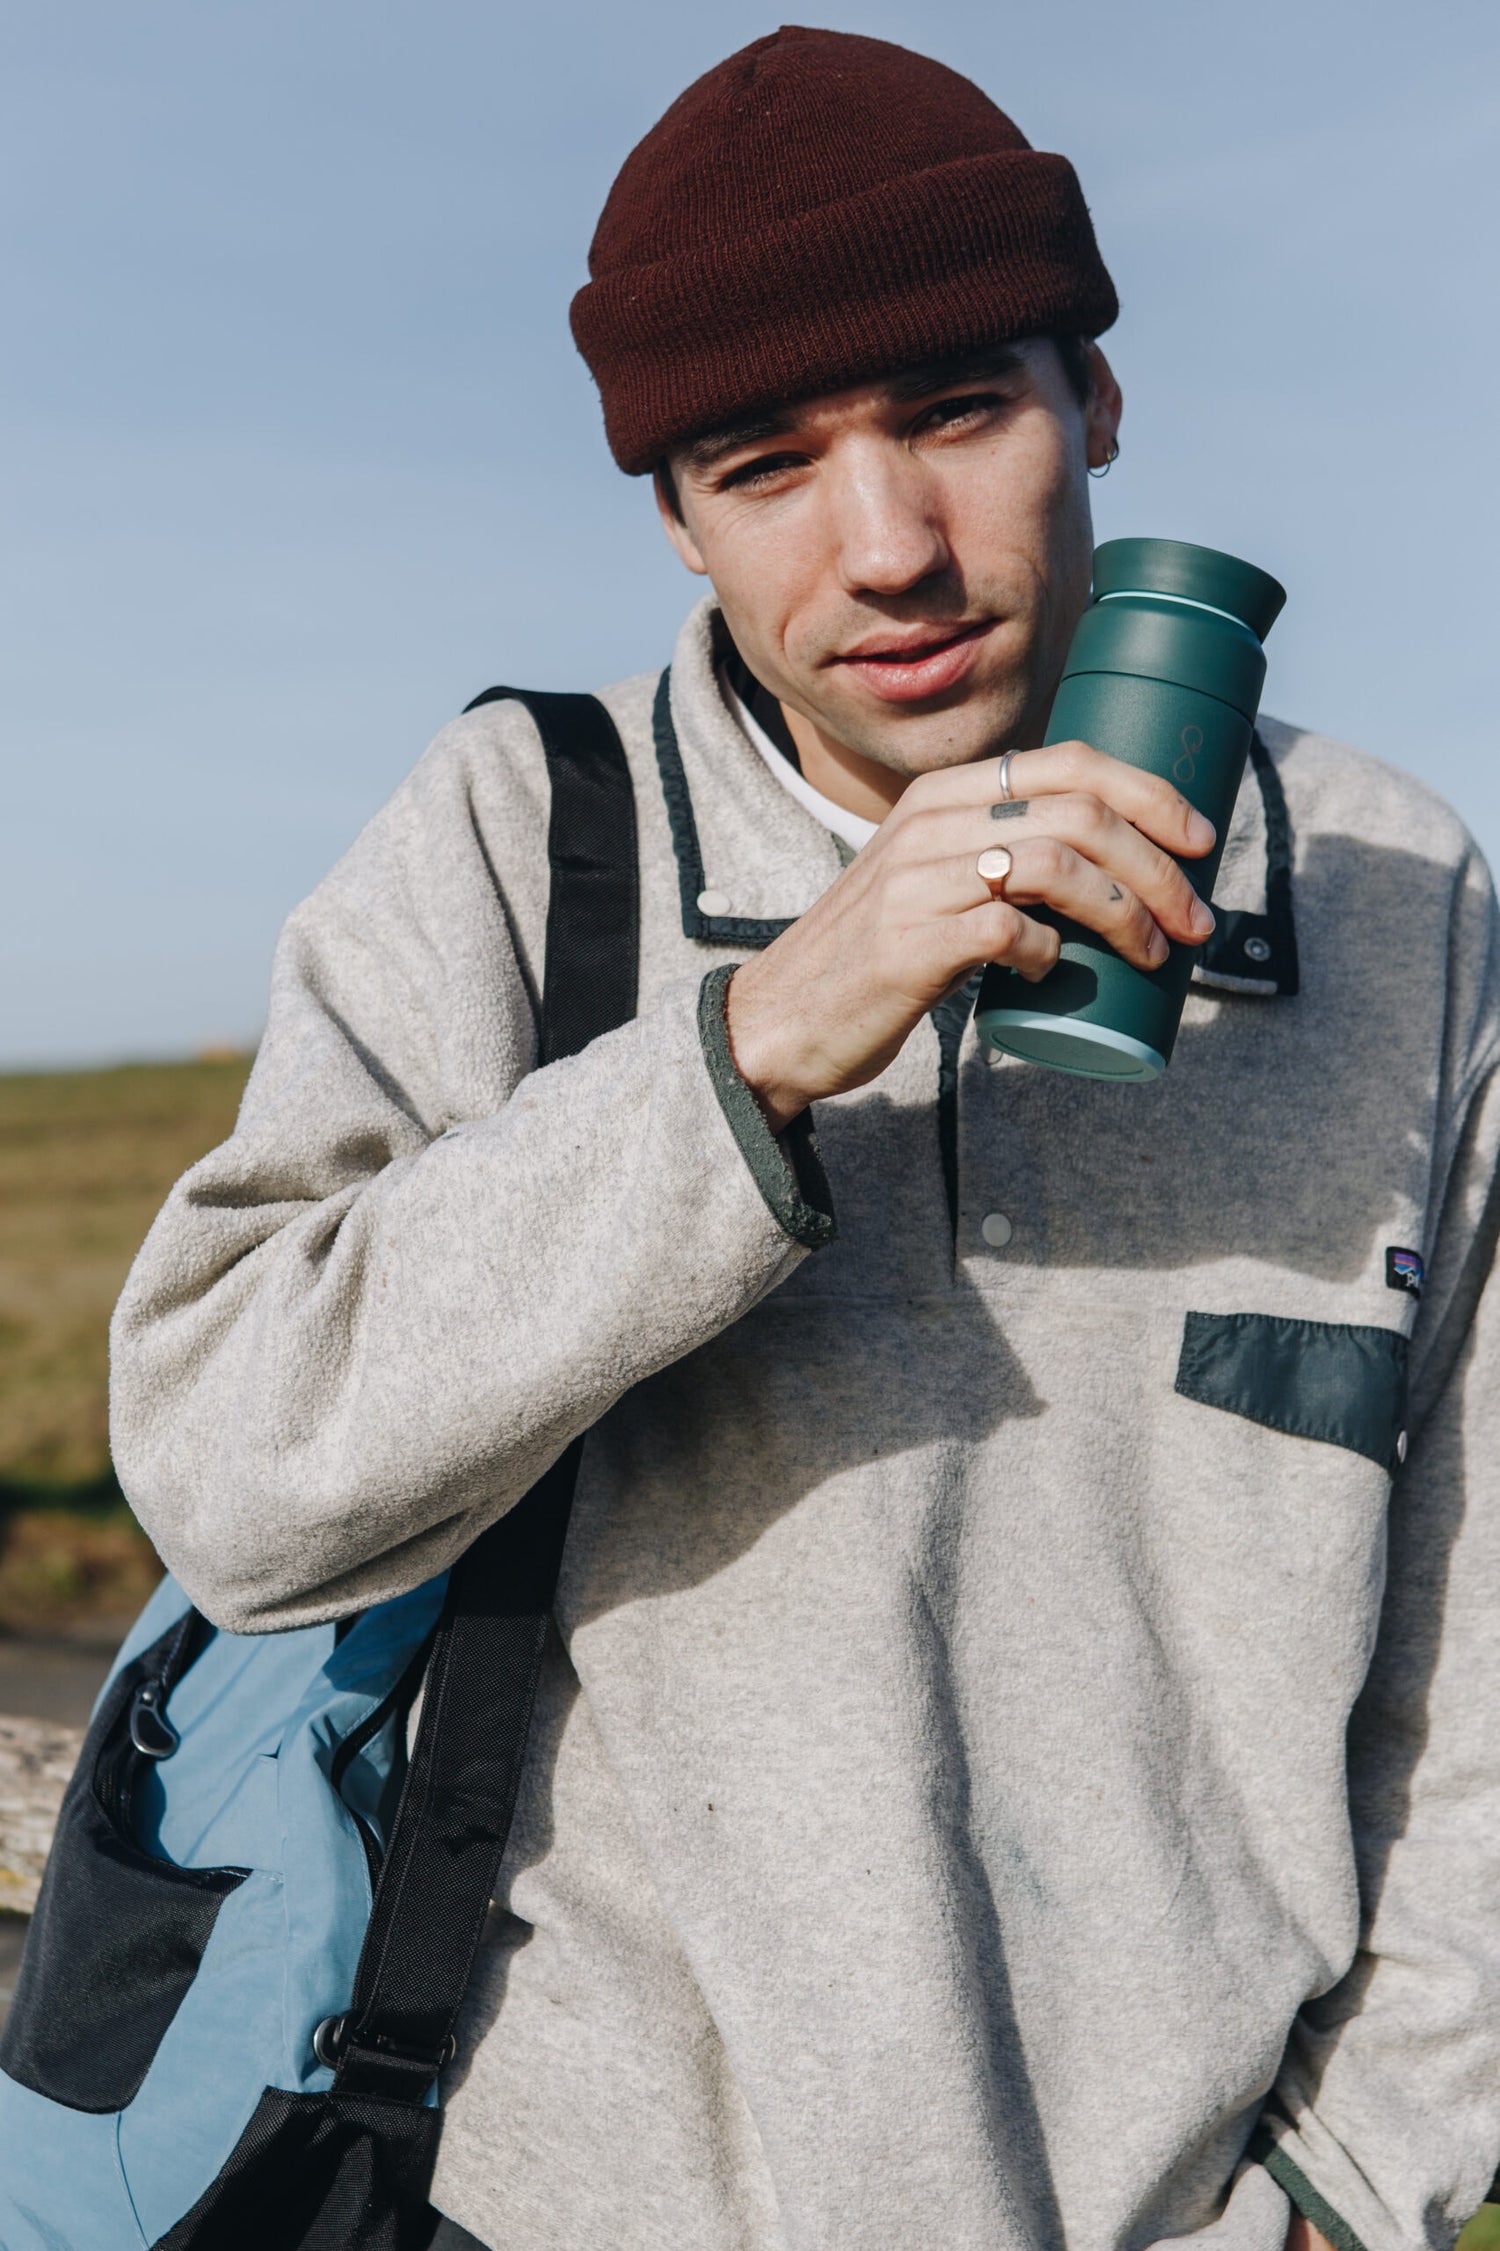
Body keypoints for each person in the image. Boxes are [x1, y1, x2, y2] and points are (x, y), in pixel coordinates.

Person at [111, 27, 1500, 2251]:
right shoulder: (516, 839)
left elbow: (1482, 1649)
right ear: (671, 511)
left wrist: (1353, 2183)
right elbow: (227, 1469)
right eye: (767, 463)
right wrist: (738, 1052)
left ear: (1098, 405)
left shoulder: (1388, 894)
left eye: (959, 411)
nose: (891, 549)